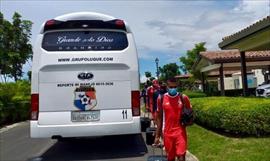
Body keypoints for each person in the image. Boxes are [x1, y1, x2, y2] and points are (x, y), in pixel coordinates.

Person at [154, 78, 192, 161]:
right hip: (167, 133)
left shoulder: (183, 97)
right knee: (170, 158)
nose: (173, 89)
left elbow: (190, 113)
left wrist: (188, 120)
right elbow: (159, 118)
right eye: (171, 87)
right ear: (167, 87)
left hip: (180, 132)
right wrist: (157, 135)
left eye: (175, 87)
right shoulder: (161, 98)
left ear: (177, 86)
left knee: (181, 156)